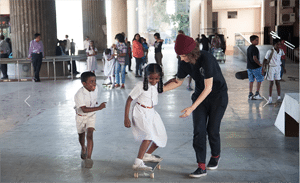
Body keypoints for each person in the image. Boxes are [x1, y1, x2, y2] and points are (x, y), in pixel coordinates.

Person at [163, 34, 228, 178]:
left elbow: (208, 88)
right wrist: (159, 89)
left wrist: (191, 108)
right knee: (199, 131)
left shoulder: (207, 58)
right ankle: (201, 166)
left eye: (183, 55)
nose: (181, 58)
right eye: (179, 55)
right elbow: (178, 81)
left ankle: (215, 155)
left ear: (192, 53)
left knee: (212, 130)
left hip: (218, 96)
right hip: (200, 97)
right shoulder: (184, 61)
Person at [124, 63, 167, 170]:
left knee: (160, 136)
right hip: (140, 112)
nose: (153, 81)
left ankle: (146, 155)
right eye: (151, 78)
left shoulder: (156, 84)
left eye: (156, 78)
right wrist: (126, 117)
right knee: (148, 136)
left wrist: (172, 81)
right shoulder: (140, 85)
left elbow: (162, 88)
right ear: (146, 76)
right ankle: (137, 162)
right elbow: (129, 100)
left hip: (151, 112)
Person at [74, 71, 106, 168]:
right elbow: (84, 109)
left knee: (90, 134)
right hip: (81, 116)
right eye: (91, 82)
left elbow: (93, 100)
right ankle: (83, 147)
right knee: (81, 135)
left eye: (95, 81)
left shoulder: (95, 89)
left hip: (91, 116)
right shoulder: (79, 94)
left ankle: (88, 158)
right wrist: (99, 107)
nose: (94, 84)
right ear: (84, 84)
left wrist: (95, 104)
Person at [264, 38, 285, 104]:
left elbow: (282, 59)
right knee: (271, 83)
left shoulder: (281, 51)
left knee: (278, 82)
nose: (279, 45)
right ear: (274, 44)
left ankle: (279, 97)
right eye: (277, 44)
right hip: (271, 68)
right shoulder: (270, 51)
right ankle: (270, 98)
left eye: (280, 44)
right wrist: (263, 68)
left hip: (278, 68)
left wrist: (283, 67)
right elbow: (265, 59)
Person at [246, 35, 263, 100]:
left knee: (251, 81)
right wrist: (260, 64)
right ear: (251, 41)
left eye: (258, 40)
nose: (257, 41)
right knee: (259, 80)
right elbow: (254, 58)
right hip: (255, 67)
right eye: (256, 40)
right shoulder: (254, 48)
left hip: (249, 67)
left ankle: (250, 94)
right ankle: (257, 93)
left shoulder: (249, 48)